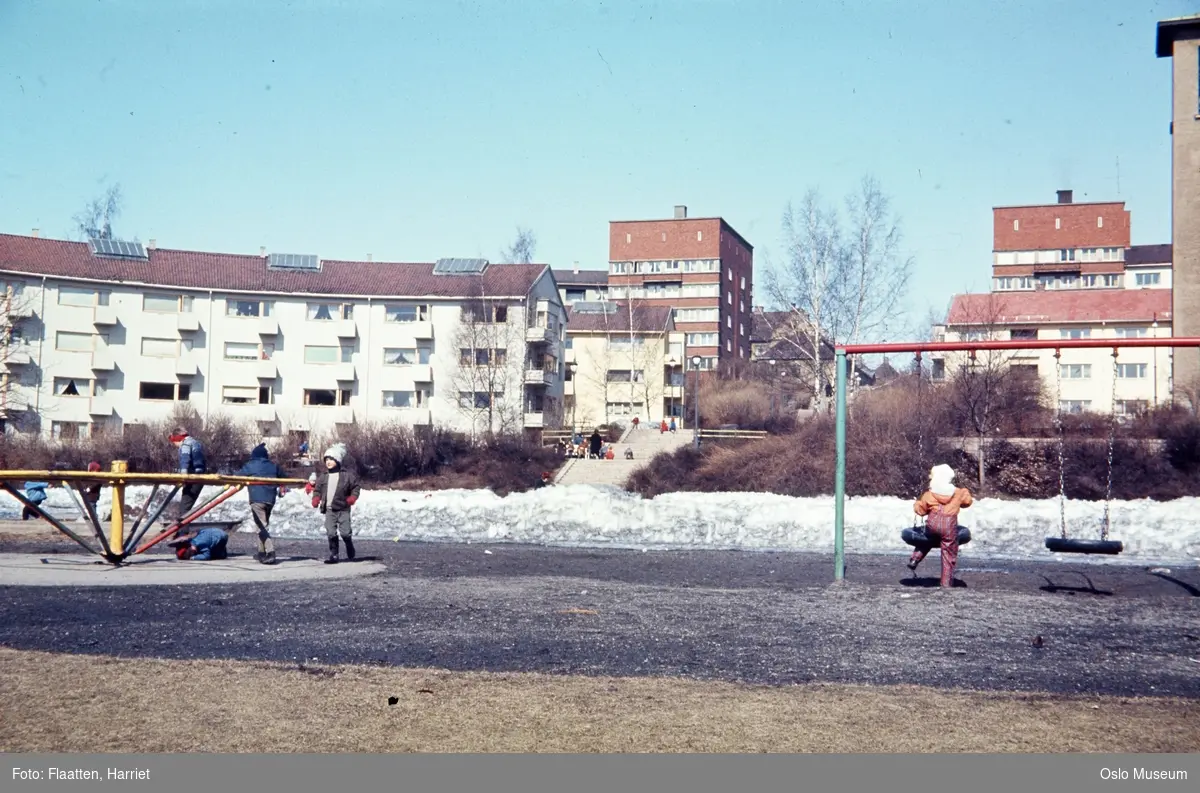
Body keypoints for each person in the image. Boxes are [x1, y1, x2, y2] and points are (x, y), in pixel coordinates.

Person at [910, 464, 973, 588]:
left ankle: (915, 558)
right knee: (948, 553)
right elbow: (967, 502)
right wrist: (964, 492)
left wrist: (917, 504)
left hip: (933, 524)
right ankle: (946, 583)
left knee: (926, 538)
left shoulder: (929, 494)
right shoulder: (958, 493)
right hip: (949, 527)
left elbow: (921, 511)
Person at [309, 443, 361, 564]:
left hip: (343, 508)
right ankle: (334, 554)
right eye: (326, 459)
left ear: (337, 461)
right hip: (329, 510)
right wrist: (316, 498)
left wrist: (352, 498)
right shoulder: (323, 477)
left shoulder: (347, 476)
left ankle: (349, 545)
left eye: (331, 459)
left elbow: (355, 488)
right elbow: (317, 490)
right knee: (331, 533)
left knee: (345, 533)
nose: (328, 462)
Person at [236, 443, 287, 565]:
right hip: (270, 499)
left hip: (257, 500)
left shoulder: (251, 465)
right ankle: (261, 552)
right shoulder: (273, 466)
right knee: (262, 525)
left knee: (261, 527)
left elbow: (238, 476)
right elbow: (284, 476)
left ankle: (270, 552)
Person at [170, 427, 206, 518]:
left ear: (177, 439)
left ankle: (183, 531)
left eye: (174, 442)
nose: (175, 445)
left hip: (193, 478)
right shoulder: (195, 443)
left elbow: (185, 460)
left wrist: (183, 475)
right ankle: (181, 530)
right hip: (200, 475)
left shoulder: (185, 445)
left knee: (184, 508)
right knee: (187, 506)